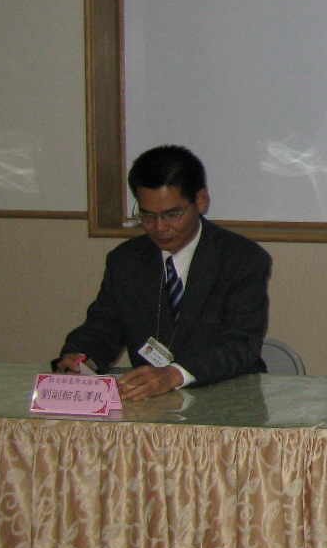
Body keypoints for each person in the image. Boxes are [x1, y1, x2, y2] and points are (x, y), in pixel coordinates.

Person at [55, 144, 270, 401]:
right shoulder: (126, 260)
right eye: (147, 216)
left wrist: (174, 375)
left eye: (172, 214)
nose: (159, 228)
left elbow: (240, 344)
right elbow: (102, 326)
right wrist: (82, 357)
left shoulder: (241, 259)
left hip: (228, 402)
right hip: (151, 404)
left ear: (200, 201)